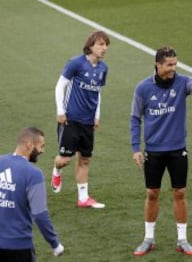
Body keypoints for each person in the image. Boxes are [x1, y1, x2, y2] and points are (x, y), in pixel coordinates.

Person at [130, 46, 192, 256]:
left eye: (175, 64)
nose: (173, 68)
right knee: (152, 193)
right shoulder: (143, 88)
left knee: (180, 193)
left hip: (177, 150)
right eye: (169, 65)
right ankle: (148, 238)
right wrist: (135, 148)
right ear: (158, 65)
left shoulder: (182, 82)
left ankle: (182, 240)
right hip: (154, 151)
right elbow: (135, 118)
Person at [51, 31, 110, 208]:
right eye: (100, 44)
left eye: (106, 45)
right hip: (70, 119)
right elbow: (60, 85)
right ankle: (56, 170)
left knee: (85, 159)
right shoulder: (76, 63)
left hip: (88, 122)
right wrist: (61, 111)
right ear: (90, 45)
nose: (104, 48)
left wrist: (97, 116)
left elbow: (97, 92)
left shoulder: (103, 68)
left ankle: (83, 198)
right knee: (65, 159)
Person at [0, 127, 64, 261]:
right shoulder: (33, 174)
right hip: (18, 247)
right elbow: (40, 214)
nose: (42, 151)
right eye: (41, 146)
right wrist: (55, 243)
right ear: (29, 144)